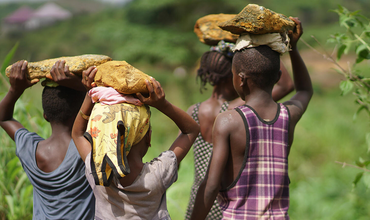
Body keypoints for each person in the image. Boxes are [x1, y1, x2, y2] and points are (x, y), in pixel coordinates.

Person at [190, 17, 313, 219]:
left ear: (240, 78)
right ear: (277, 76)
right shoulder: (288, 115)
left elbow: (211, 186)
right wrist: (293, 48)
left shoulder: (228, 120)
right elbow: (305, 90)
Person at [72, 67, 200, 219]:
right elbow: (191, 130)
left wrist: (91, 94)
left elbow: (77, 134)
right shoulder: (157, 175)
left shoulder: (97, 172)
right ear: (148, 137)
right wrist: (162, 104)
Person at [0, 60, 95, 219]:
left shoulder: (29, 148)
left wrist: (14, 90)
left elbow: (3, 118)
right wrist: (82, 86)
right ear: (83, 113)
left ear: (45, 116)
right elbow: (107, 105)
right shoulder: (86, 146)